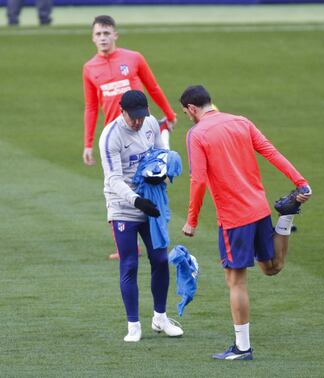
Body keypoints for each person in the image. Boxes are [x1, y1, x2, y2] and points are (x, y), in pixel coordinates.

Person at [180, 85, 311, 360]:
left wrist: (191, 220)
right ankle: (285, 216)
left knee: (235, 281)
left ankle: (242, 348)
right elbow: (271, 152)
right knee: (272, 267)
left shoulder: (197, 134)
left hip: (234, 218)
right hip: (259, 209)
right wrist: (300, 181)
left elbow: (199, 180)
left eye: (186, 113)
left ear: (192, 109)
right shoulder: (241, 121)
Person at [98, 90, 183, 342]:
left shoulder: (150, 124)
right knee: (130, 264)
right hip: (123, 205)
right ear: (122, 111)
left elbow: (158, 154)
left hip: (151, 200)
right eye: (133, 117)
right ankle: (133, 325)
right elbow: (112, 179)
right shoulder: (110, 137)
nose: (137, 122)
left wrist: (162, 172)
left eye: (141, 116)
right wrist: (136, 200)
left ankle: (160, 318)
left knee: (159, 259)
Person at [83, 14, 176, 167]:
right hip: (114, 134)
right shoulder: (89, 68)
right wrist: (88, 144)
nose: (103, 38)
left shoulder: (134, 58)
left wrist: (170, 114)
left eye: (106, 33)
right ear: (93, 38)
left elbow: (153, 88)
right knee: (116, 182)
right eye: (98, 34)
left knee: (151, 178)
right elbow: (91, 108)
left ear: (115, 35)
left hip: (141, 127)